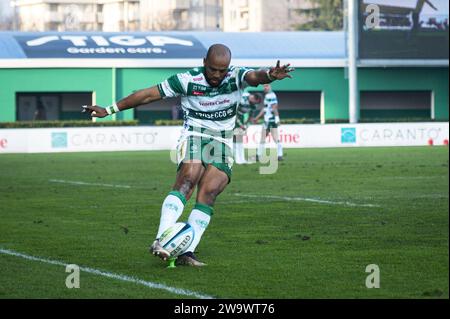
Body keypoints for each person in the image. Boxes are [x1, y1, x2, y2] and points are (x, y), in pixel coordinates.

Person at [82, 44, 293, 267]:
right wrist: (109, 109)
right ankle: (161, 238)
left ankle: (186, 252)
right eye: (213, 69)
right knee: (189, 177)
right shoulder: (186, 79)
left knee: (211, 191)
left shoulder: (236, 75)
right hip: (194, 134)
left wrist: (269, 74)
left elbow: (254, 76)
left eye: (223, 70)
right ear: (204, 62)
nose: (218, 75)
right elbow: (146, 95)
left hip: (222, 140)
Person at [253, 84, 284, 161]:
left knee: (266, 137)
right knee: (272, 137)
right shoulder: (268, 96)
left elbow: (274, 107)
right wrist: (257, 118)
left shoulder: (271, 95)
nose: (265, 88)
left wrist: (277, 118)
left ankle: (259, 155)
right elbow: (265, 109)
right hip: (268, 119)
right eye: (264, 86)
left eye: (267, 86)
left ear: (270, 87)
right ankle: (279, 155)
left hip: (270, 120)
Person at [234, 92, 261, 164]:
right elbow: (234, 111)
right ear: (253, 98)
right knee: (237, 138)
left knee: (239, 139)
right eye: (255, 102)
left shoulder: (254, 105)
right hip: (233, 116)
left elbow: (251, 117)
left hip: (241, 117)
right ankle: (238, 159)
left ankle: (241, 158)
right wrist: (240, 124)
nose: (255, 104)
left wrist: (246, 125)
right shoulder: (242, 97)